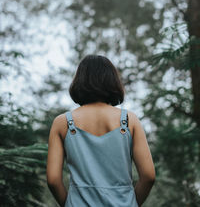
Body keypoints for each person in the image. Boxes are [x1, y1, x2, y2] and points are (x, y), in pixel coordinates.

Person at [46, 54, 155, 207]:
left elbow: (53, 179)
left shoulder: (62, 123)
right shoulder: (130, 120)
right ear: (112, 81)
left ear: (79, 81)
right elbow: (149, 176)